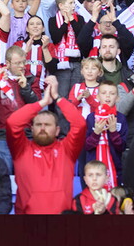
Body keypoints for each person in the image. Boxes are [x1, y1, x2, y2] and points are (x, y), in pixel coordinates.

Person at [6, 76, 86, 214]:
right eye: (38, 125)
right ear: (31, 129)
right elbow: (12, 123)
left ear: (57, 130)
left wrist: (57, 97)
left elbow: (80, 124)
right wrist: (42, 103)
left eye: (47, 125)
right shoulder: (21, 149)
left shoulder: (67, 150)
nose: (42, 128)